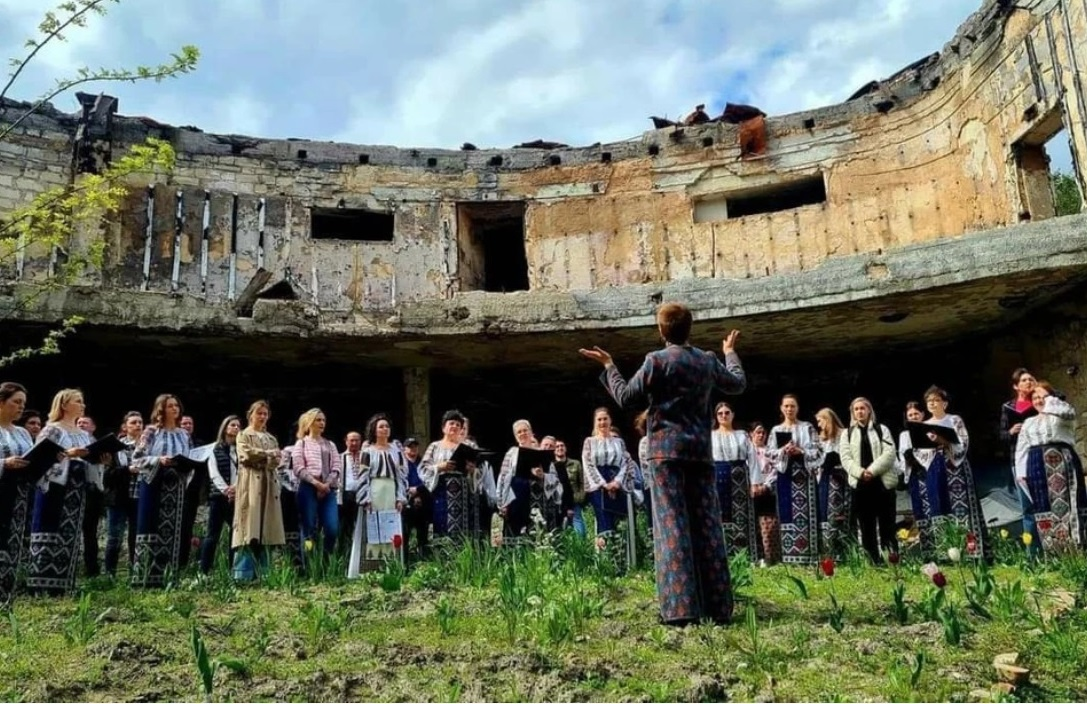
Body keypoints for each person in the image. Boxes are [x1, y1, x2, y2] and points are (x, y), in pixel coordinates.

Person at [580, 302, 746, 626]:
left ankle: (680, 609)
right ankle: (718, 607)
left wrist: (610, 366)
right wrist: (730, 353)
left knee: (672, 527)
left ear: (660, 331)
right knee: (708, 526)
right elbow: (737, 383)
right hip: (700, 453)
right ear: (690, 328)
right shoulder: (707, 360)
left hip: (664, 454)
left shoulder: (655, 361)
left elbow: (626, 397)